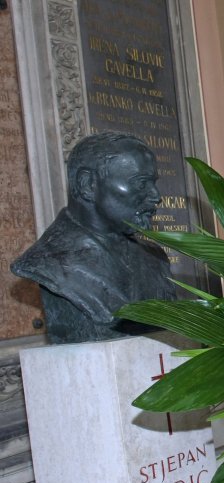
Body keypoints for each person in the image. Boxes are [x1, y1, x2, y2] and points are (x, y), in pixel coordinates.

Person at [11, 131, 175, 343]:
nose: (156, 196)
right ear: (87, 184)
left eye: (153, 183)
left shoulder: (155, 258)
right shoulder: (48, 262)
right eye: (140, 183)